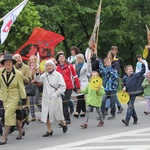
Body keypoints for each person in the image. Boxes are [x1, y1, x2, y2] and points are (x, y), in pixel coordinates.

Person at [34, 60, 67, 136]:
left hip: (55, 98)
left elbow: (63, 86)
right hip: (46, 98)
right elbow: (37, 79)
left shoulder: (58, 75)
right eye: (47, 66)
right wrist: (37, 73)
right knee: (47, 114)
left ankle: (63, 123)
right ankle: (49, 130)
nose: (49, 67)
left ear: (53, 66)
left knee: (58, 113)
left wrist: (56, 93)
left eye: (50, 65)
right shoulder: (44, 75)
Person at [0, 54, 27, 144]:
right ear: (3, 63)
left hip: (14, 97)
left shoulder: (18, 73)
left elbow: (21, 86)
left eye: (10, 62)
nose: (8, 63)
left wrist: (23, 98)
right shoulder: (0, 72)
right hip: (4, 97)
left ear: (12, 63)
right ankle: (21, 131)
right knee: (12, 116)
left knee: (8, 115)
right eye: (6, 62)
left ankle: (4, 136)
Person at [56, 53, 80, 124]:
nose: (62, 57)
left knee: (65, 103)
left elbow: (75, 76)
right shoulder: (56, 68)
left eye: (63, 56)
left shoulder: (70, 66)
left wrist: (78, 87)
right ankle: (63, 119)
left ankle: (67, 119)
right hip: (60, 87)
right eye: (60, 56)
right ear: (58, 59)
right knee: (61, 104)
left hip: (68, 87)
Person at [122, 61, 145, 126]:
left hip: (133, 93)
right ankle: (135, 118)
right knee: (131, 107)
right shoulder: (125, 77)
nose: (131, 69)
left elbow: (142, 72)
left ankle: (127, 120)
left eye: (132, 68)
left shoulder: (135, 75)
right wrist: (124, 87)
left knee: (130, 107)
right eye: (129, 69)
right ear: (126, 71)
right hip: (127, 94)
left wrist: (143, 64)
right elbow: (123, 83)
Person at [104, 51, 123, 115]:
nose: (109, 56)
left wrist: (111, 72)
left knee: (112, 96)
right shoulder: (106, 66)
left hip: (113, 84)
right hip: (107, 85)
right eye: (108, 55)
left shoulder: (115, 62)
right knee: (112, 96)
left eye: (110, 55)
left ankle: (107, 109)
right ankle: (119, 106)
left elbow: (116, 74)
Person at [74, 53, 92, 118]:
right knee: (81, 97)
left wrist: (89, 65)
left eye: (80, 59)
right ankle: (84, 111)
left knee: (80, 96)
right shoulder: (75, 66)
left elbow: (89, 72)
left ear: (82, 59)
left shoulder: (85, 65)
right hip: (77, 82)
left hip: (84, 82)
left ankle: (77, 111)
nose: (79, 60)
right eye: (78, 59)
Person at [28, 55, 42, 121]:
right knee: (31, 102)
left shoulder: (37, 67)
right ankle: (33, 116)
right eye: (30, 60)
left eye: (32, 59)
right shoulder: (28, 68)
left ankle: (44, 113)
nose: (31, 61)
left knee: (36, 101)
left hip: (36, 85)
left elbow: (38, 76)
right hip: (30, 86)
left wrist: (33, 81)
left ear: (35, 60)